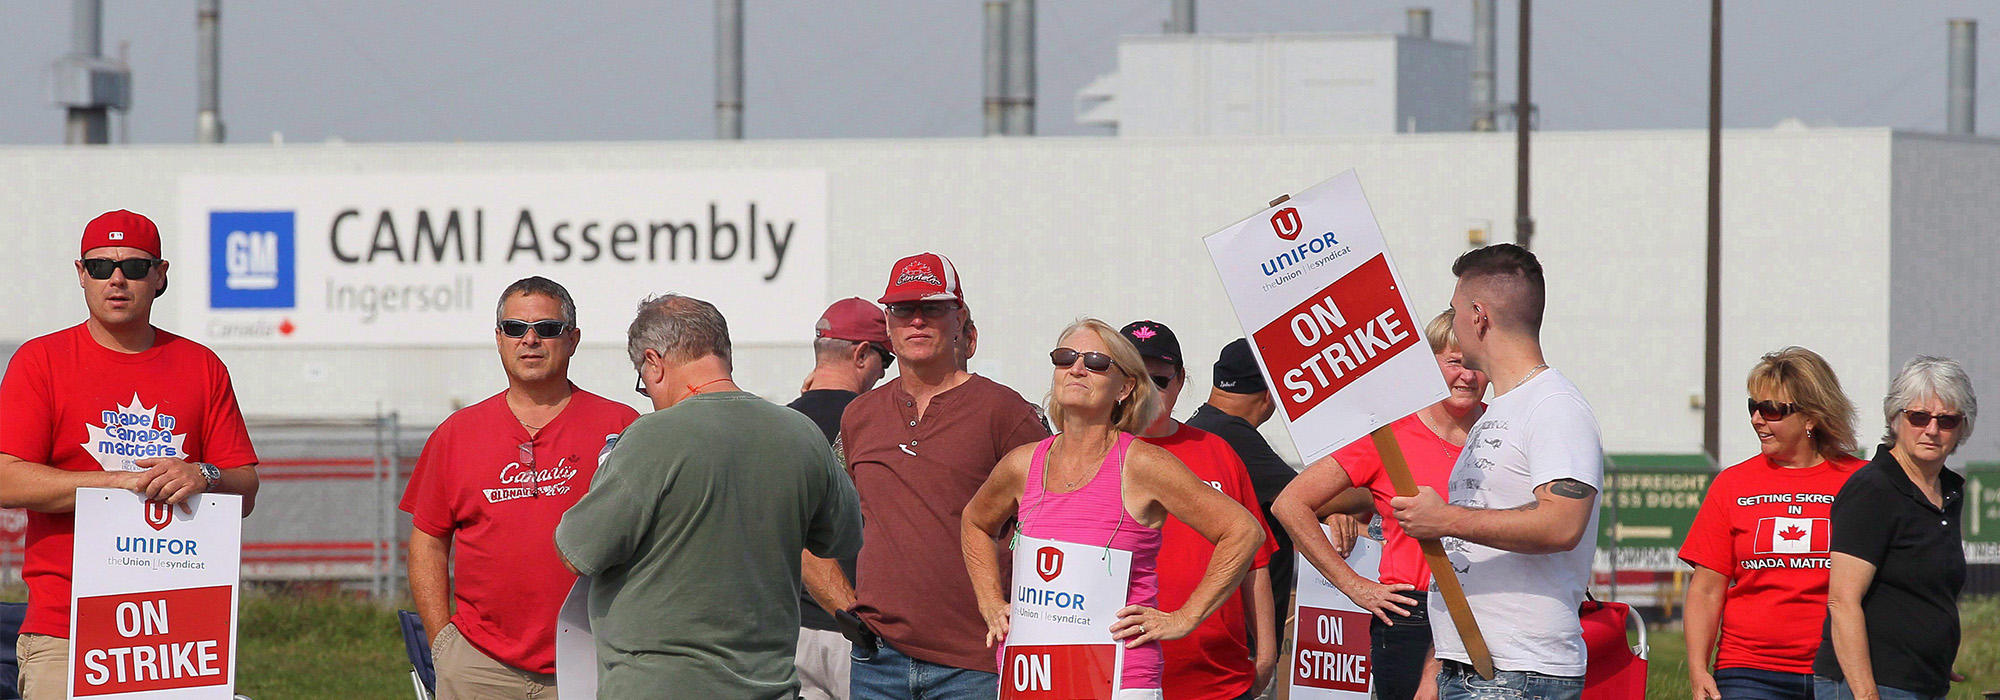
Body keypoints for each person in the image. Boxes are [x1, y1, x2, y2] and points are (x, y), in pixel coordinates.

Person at [0, 210, 261, 700]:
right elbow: (6, 479)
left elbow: (245, 486)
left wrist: (204, 475)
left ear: (160, 275)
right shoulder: (41, 361)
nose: (116, 279)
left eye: (135, 267)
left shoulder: (202, 366)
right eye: (101, 267)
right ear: (81, 274)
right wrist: (117, 483)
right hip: (66, 625)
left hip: (179, 632)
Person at [554, 294, 863, 699]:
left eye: (643, 382)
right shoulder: (801, 433)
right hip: (767, 684)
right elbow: (843, 536)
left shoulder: (650, 437)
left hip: (658, 686)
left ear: (654, 362)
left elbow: (578, 551)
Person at [962, 319, 1264, 699]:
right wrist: (990, 601)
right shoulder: (1022, 464)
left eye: (1095, 362)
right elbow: (975, 522)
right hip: (1033, 676)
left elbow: (1243, 531)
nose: (1077, 368)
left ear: (1124, 388)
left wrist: (1184, 617)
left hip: (1119, 678)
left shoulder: (1142, 464)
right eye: (1065, 357)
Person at [802, 252, 1050, 700]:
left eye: (932, 308)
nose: (916, 321)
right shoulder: (860, 416)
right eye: (902, 309)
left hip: (976, 663)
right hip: (877, 661)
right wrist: (847, 611)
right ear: (888, 325)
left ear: (960, 319)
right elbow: (812, 523)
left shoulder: (1006, 412)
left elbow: (1054, 523)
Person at [399, 277, 639, 699]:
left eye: (547, 328)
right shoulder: (457, 433)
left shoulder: (621, 427)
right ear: (499, 339)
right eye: (515, 328)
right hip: (480, 665)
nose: (530, 340)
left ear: (573, 339)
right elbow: (428, 543)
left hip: (592, 658)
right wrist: (442, 644)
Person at [1390, 243, 1602, 700]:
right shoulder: (1501, 410)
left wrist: (1443, 519)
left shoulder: (1553, 405)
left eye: (1456, 311)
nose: (1454, 322)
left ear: (1479, 316)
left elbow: (1562, 523)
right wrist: (1437, 667)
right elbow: (1469, 558)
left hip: (1518, 674)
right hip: (1473, 667)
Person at [1272, 309, 1488, 700]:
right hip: (1411, 616)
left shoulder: (1503, 428)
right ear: (1427, 366)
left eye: (1477, 364)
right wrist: (1355, 586)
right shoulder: (1389, 434)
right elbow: (1290, 504)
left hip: (1490, 608)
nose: (1468, 376)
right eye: (1455, 362)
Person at [1678, 347, 1862, 700]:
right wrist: (1698, 669)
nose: (1757, 419)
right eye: (1753, 407)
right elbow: (1706, 590)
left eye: (1772, 409)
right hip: (1749, 672)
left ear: (1812, 417)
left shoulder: (1862, 482)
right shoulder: (1732, 484)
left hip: (1841, 669)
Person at [1120, 320, 1283, 700]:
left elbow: (1255, 561)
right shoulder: (1092, 455)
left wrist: (1267, 653)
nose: (1148, 390)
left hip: (1218, 679)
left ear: (1180, 381)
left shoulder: (1217, 451)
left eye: (1160, 380)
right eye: (1135, 378)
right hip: (1119, 674)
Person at [1813, 356, 1975, 700]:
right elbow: (1842, 602)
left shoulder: (1948, 492)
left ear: (1963, 427)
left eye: (1947, 420)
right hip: (1870, 685)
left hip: (1923, 683)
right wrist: (1866, 694)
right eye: (1919, 417)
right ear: (1895, 418)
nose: (1932, 430)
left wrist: (1931, 652)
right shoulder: (1873, 489)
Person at [788, 297, 892, 700]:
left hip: (788, 628)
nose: (884, 374)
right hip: (856, 627)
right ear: (862, 354)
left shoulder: (779, 425)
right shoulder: (881, 424)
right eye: (886, 360)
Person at [1183, 338, 1298, 656]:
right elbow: (1311, 497)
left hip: (1212, 630)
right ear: (1270, 395)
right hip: (1240, 642)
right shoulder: (1233, 436)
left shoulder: (1201, 427)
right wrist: (1361, 488)